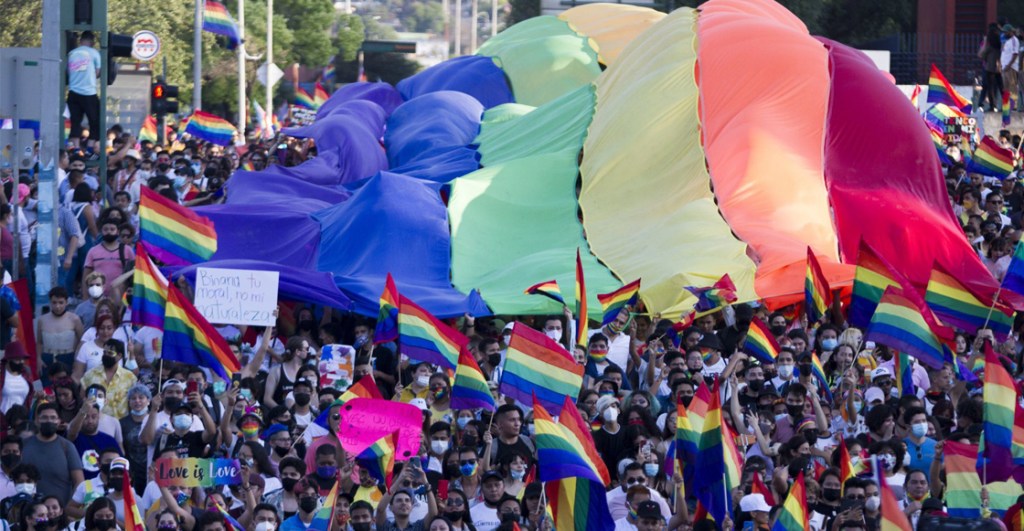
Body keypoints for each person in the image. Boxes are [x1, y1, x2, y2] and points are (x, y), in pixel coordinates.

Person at [20, 402, 84, 504]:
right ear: (37, 420)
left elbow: (79, 482)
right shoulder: (24, 445)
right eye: (44, 417)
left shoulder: (67, 447)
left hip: (59, 512)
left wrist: (70, 508)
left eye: (53, 417)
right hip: (29, 511)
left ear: (58, 421)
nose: (49, 420)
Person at [66, 31, 101, 149]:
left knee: (75, 121)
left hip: (73, 92)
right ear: (92, 42)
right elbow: (97, 73)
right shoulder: (94, 53)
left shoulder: (71, 53)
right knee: (94, 121)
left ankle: (76, 148)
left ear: (80, 41)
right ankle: (90, 148)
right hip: (89, 93)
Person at [0, 342, 30, 415]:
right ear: (8, 359)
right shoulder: (1, 374)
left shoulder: (26, 373)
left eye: (23, 359)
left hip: (21, 418)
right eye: (17, 359)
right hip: (3, 418)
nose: (21, 362)